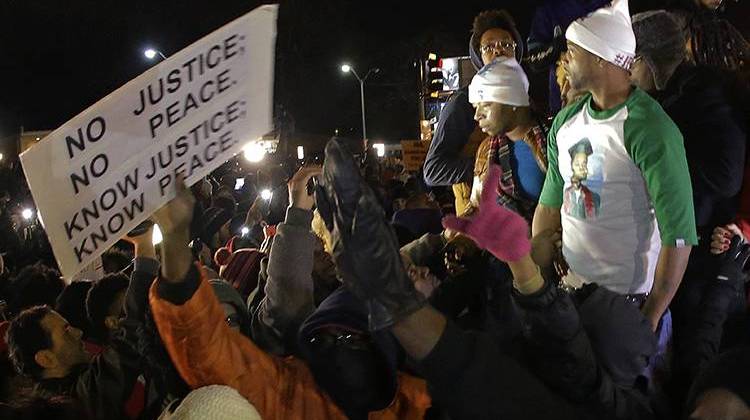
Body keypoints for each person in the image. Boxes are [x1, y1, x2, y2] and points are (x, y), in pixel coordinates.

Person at [147, 171, 431, 419]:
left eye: (353, 338)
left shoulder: (428, 399)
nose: (337, 346)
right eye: (323, 338)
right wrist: (174, 238)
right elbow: (210, 347)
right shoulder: (292, 392)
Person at [533, 0, 697, 332]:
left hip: (626, 306)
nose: (565, 61)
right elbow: (549, 206)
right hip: (569, 293)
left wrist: (649, 317)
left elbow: (678, 236)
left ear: (600, 57)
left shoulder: (650, 128)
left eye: (572, 51)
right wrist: (539, 278)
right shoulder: (565, 123)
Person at [423, 10, 524, 215]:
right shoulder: (464, 103)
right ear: (479, 56)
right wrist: (486, 166)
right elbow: (433, 170)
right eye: (488, 47)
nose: (498, 51)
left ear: (516, 52)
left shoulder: (526, 101)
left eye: (506, 44)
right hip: (478, 228)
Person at [468, 56, 548, 221]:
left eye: (485, 104)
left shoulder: (555, 139)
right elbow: (478, 208)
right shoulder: (486, 149)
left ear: (513, 100)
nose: (477, 115)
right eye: (476, 107)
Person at [563, 139, 600, 219]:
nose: (582, 168)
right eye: (577, 164)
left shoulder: (595, 198)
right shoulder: (567, 193)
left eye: (584, 164)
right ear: (572, 165)